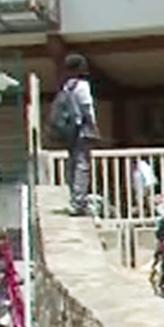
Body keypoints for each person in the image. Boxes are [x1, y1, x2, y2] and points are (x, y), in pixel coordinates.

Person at [56, 55, 98, 215]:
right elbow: (86, 108)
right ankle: (79, 202)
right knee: (82, 165)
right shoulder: (82, 86)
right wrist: (94, 129)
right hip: (82, 130)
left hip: (69, 131)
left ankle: (74, 198)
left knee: (73, 164)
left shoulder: (66, 86)